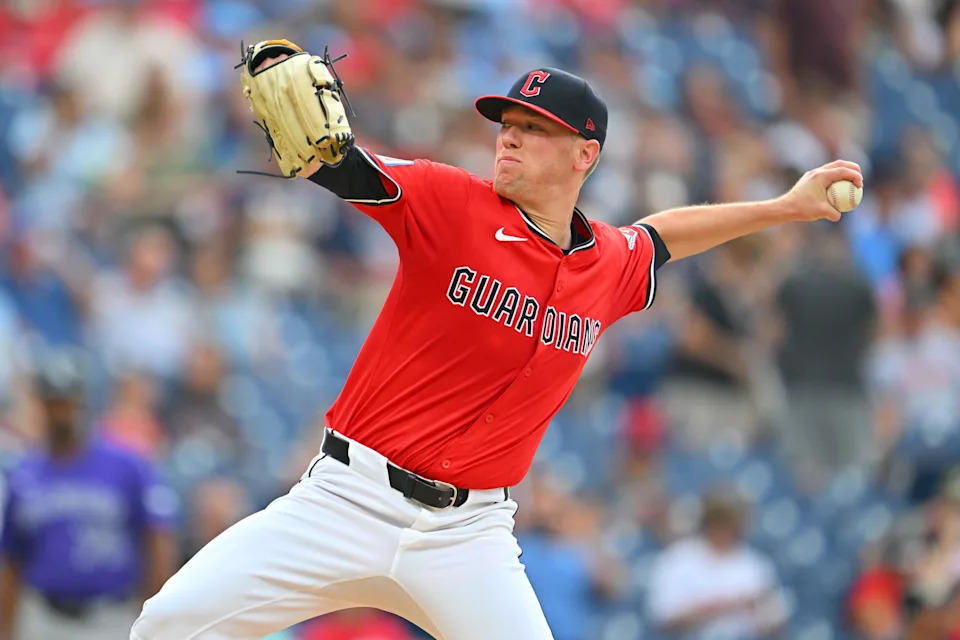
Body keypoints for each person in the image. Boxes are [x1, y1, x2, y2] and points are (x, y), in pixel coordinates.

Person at [131, 40, 863, 640]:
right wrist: (320, 145)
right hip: (346, 501)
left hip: (469, 536)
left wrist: (782, 207)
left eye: (533, 126)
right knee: (167, 626)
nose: (508, 134)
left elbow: (661, 237)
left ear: (586, 154)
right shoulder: (450, 203)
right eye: (505, 122)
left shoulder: (606, 263)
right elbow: (347, 167)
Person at [0, 353, 177, 640]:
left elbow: (156, 541)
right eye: (53, 402)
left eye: (67, 402)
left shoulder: (127, 465)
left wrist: (157, 620)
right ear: (40, 405)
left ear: (83, 402)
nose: (61, 413)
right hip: (43, 617)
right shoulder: (24, 474)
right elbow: (11, 559)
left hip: (110, 617)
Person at [647, 488, 786, 639]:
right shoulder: (678, 559)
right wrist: (720, 608)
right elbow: (662, 619)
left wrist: (759, 615)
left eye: (728, 520)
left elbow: (774, 622)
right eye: (717, 519)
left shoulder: (755, 565)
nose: (722, 527)